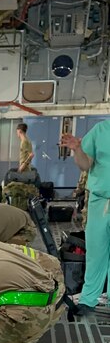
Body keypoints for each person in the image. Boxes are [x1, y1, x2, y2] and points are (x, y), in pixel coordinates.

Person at [61, 121, 110, 315]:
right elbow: (84, 164)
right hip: (100, 201)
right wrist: (78, 149)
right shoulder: (100, 130)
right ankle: (89, 299)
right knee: (96, 251)